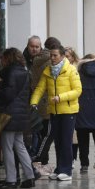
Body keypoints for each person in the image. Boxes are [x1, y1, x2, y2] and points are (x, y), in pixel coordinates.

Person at [31, 44, 82, 181]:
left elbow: (78, 90)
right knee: (58, 141)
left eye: (55, 55)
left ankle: (67, 171)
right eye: (51, 55)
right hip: (54, 111)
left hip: (68, 111)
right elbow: (40, 88)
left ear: (62, 56)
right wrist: (33, 102)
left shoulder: (71, 70)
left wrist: (61, 97)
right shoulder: (48, 71)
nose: (52, 58)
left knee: (66, 140)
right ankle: (59, 169)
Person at [0, 48, 35, 189]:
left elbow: (8, 94)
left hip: (9, 115)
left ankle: (11, 179)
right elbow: (16, 90)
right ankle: (30, 176)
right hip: (20, 115)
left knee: (7, 147)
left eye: (3, 58)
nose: (1, 61)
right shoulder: (24, 72)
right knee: (20, 146)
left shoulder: (11, 72)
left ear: (8, 58)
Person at [31, 37, 61, 176]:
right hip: (49, 101)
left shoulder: (35, 60)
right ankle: (38, 158)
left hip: (40, 102)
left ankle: (43, 161)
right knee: (48, 134)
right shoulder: (50, 62)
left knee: (44, 132)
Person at [64, 46, 80, 168]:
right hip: (64, 105)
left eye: (67, 56)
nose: (65, 58)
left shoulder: (76, 69)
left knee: (74, 134)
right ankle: (69, 158)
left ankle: (73, 158)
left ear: (73, 57)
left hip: (75, 105)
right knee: (69, 135)